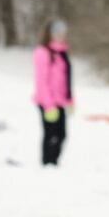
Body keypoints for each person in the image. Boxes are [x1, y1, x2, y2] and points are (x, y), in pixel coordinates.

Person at [32, 18, 73, 166]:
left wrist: (70, 100)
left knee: (62, 135)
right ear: (50, 33)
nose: (61, 35)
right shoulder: (42, 52)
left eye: (63, 33)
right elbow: (41, 81)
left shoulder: (62, 52)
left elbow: (66, 78)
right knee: (51, 135)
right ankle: (47, 162)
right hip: (47, 101)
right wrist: (48, 104)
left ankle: (54, 162)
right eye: (58, 32)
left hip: (60, 101)